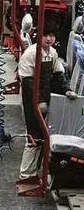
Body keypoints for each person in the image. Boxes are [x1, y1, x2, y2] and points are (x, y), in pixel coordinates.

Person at [17, 26, 78, 180]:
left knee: (44, 136)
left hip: (44, 98)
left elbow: (58, 75)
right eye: (46, 35)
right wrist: (38, 102)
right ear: (39, 36)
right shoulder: (31, 53)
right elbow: (27, 82)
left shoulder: (52, 53)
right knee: (34, 136)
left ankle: (35, 173)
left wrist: (67, 90)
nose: (49, 39)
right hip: (30, 98)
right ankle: (26, 175)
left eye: (52, 36)